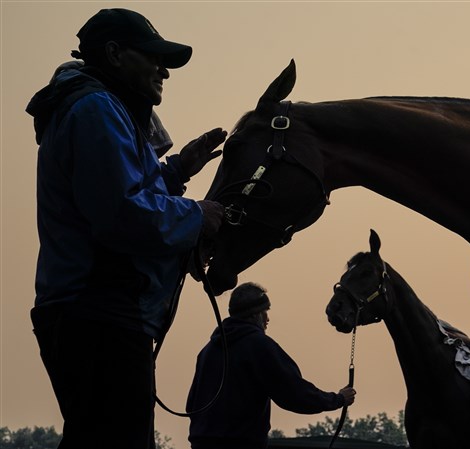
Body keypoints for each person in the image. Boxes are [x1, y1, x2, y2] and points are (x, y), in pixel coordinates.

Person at [26, 8, 226, 449]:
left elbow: (116, 191)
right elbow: (121, 215)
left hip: (91, 311)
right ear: (115, 54)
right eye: (153, 57)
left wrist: (176, 172)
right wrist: (198, 215)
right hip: (99, 313)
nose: (164, 72)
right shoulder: (96, 108)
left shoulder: (95, 105)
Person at [186, 282, 357, 449]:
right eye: (264, 312)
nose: (267, 319)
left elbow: (192, 405)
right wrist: (338, 399)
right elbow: (295, 393)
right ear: (255, 315)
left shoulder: (207, 351)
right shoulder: (259, 345)